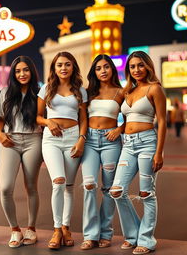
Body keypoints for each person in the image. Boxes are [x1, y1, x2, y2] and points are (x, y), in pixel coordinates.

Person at [110, 51, 166, 255]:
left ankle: (146, 240)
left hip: (148, 144)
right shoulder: (128, 91)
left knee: (146, 194)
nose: (136, 70)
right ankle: (133, 235)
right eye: (132, 66)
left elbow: (162, 123)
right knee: (116, 191)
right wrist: (120, 128)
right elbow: (128, 120)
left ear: (148, 66)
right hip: (128, 145)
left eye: (140, 65)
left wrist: (159, 152)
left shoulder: (155, 89)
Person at [37, 51, 87, 250]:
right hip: (51, 140)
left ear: (73, 66)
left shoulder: (80, 91)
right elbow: (37, 116)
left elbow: (84, 119)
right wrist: (48, 122)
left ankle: (66, 227)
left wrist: (82, 139)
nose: (63, 68)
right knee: (58, 182)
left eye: (67, 64)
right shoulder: (46, 88)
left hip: (74, 137)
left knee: (69, 186)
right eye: (59, 65)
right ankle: (57, 229)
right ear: (54, 68)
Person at [0, 56, 43, 248]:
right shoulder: (6, 92)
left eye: (25, 70)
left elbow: (45, 117)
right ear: (13, 74)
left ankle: (31, 228)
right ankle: (15, 230)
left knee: (31, 186)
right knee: (6, 188)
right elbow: (0, 118)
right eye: (17, 71)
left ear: (32, 71)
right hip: (9, 141)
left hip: (34, 140)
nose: (22, 74)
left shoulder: (40, 92)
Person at [80, 54, 124, 250]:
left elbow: (133, 116)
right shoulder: (87, 92)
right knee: (89, 185)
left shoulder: (121, 92)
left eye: (106, 67)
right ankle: (90, 235)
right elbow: (80, 117)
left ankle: (106, 233)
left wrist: (119, 129)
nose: (103, 71)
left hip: (110, 141)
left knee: (108, 189)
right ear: (94, 72)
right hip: (89, 140)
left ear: (112, 69)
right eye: (98, 68)